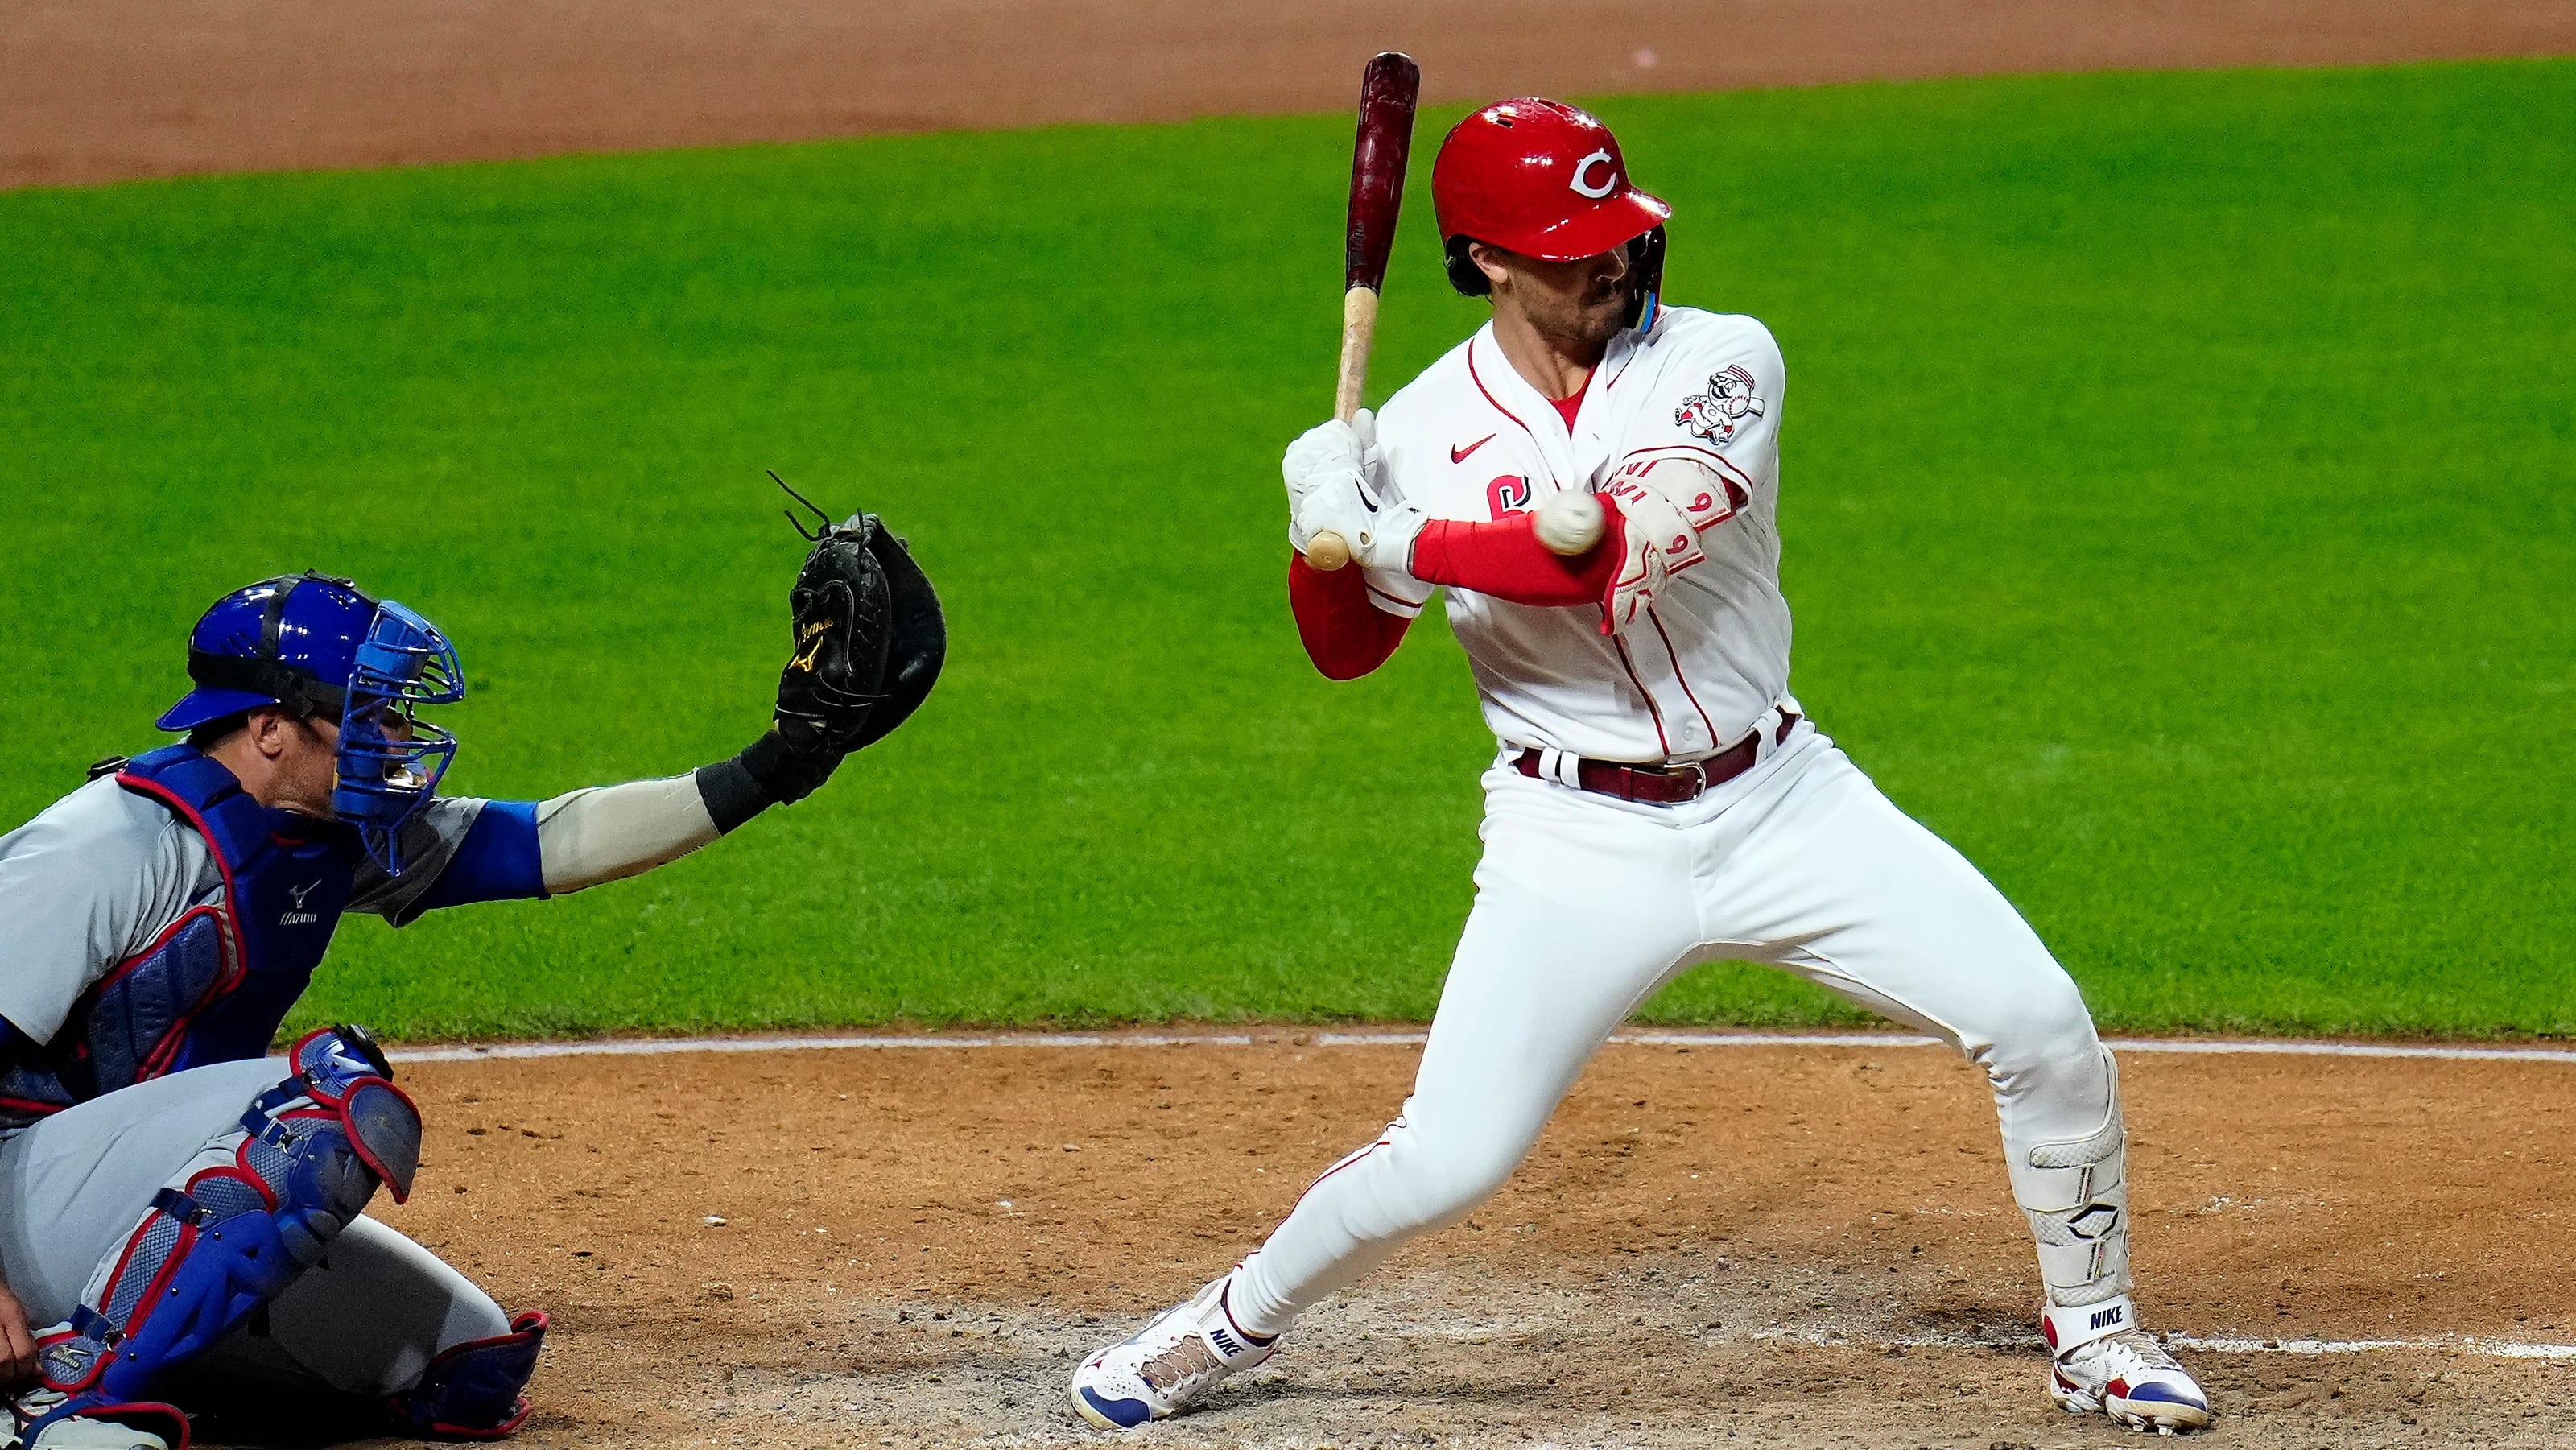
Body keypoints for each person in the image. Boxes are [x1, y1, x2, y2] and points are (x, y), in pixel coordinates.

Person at [1069, 99, 2208, 1436]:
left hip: (1783, 801)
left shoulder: (1724, 361)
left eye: (1618, 237)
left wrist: (1390, 536)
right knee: (1450, 1158)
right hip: (1574, 841)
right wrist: (1317, 529)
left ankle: (2099, 1335)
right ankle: (1228, 1321)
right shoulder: (1423, 426)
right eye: (1569, 249)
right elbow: (1344, 652)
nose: (1609, 265)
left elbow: (1607, 552)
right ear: (1487, 259)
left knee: (2042, 1024)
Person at [0, 502, 940, 1450]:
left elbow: (547, 841)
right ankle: (49, 1405)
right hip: (13, 1193)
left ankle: (123, 1345)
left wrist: (776, 764)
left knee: (460, 1366)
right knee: (319, 1106)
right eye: (363, 716)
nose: (394, 734)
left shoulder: (318, 835)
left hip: (118, 1197)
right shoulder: (107, 844)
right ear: (268, 727)